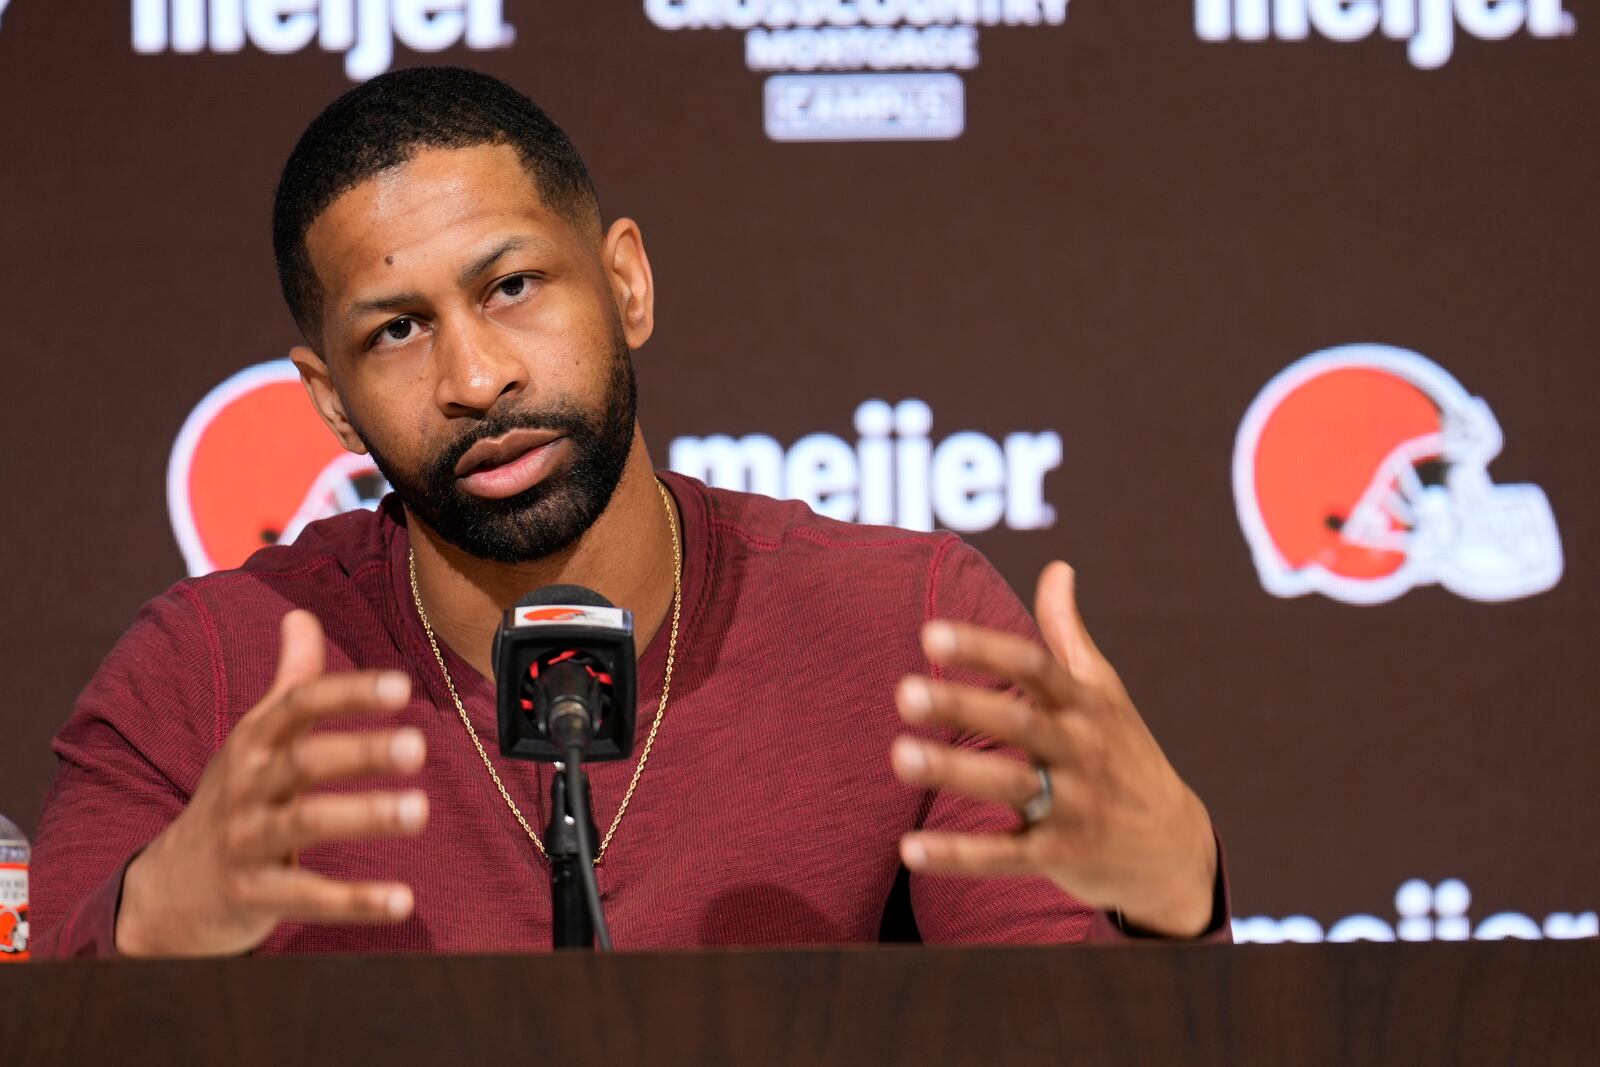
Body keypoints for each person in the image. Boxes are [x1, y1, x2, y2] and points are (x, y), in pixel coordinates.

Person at [33, 67, 1225, 957]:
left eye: (512, 286)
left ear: (627, 283)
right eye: (396, 330)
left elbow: (1065, 1019)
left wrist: (1172, 908)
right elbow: (47, 1021)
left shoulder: (904, 626)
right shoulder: (204, 674)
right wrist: (145, 935)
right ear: (331, 402)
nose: (477, 376)